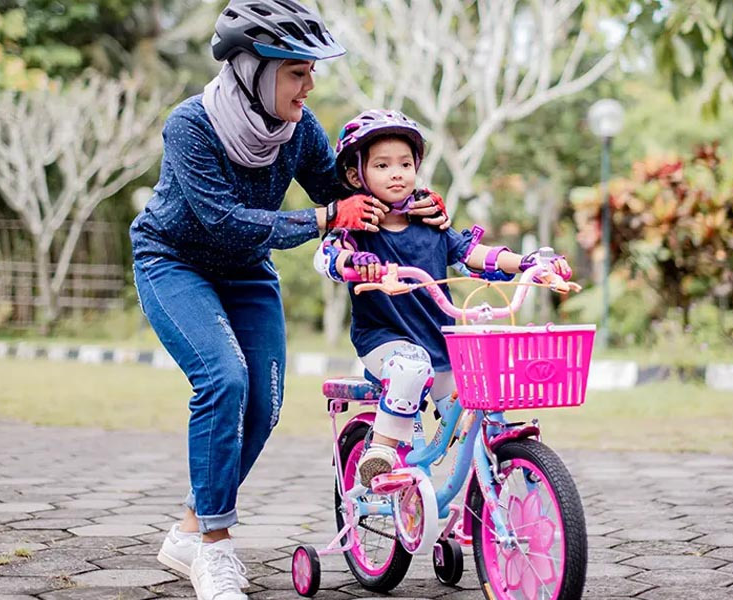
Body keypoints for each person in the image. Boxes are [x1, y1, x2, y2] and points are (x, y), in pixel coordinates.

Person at [130, 3, 447, 599]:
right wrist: (323, 218)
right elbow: (224, 220)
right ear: (253, 70)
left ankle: (191, 528)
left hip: (247, 271)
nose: (310, 85)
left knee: (265, 404)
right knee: (225, 379)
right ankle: (215, 548)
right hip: (174, 262)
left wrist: (415, 206)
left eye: (311, 72)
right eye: (297, 73)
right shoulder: (191, 125)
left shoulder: (299, 131)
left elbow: (346, 191)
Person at [315, 109, 572, 487]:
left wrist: (525, 262)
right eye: (382, 165)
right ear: (357, 176)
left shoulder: (432, 225)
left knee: (483, 395)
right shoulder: (358, 230)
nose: (397, 173)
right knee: (410, 367)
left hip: (441, 344)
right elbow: (327, 257)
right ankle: (380, 451)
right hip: (385, 341)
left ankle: (492, 479)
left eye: (405, 164)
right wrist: (353, 262)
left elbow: (473, 253)